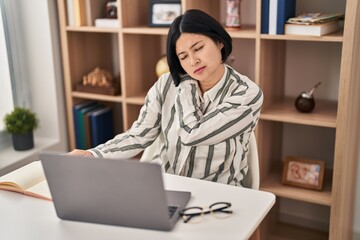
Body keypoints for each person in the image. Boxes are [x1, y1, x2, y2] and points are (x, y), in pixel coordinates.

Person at [69, 9, 263, 187]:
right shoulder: (165, 85)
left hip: (218, 194)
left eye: (198, 48)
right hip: (167, 186)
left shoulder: (247, 94)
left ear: (219, 41)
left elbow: (192, 134)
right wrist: (94, 154)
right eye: (183, 56)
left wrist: (186, 87)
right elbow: (139, 134)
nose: (193, 61)